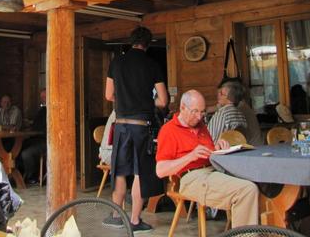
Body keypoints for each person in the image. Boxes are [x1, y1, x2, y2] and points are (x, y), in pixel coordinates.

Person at [156, 90, 259, 227]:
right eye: (195, 111)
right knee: (247, 190)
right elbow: (160, 171)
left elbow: (208, 153)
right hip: (191, 178)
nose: (199, 117)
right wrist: (190, 156)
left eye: (203, 112)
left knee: (256, 181)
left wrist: (217, 148)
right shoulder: (169, 130)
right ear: (182, 108)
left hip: (213, 170)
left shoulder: (202, 127)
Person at [104, 26, 168, 233]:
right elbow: (163, 100)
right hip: (142, 127)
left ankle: (116, 215)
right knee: (141, 173)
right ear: (147, 44)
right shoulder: (152, 64)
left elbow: (108, 95)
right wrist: (148, 101)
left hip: (121, 125)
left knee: (120, 172)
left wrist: (122, 99)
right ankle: (134, 220)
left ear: (130, 41)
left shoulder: (116, 62)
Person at [19, 89, 47, 184]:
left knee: (26, 153)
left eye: (45, 97)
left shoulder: (52, 111)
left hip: (46, 142)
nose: (43, 99)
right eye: (42, 97)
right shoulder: (42, 110)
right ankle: (20, 175)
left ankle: (32, 176)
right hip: (36, 139)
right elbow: (36, 124)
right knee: (17, 148)